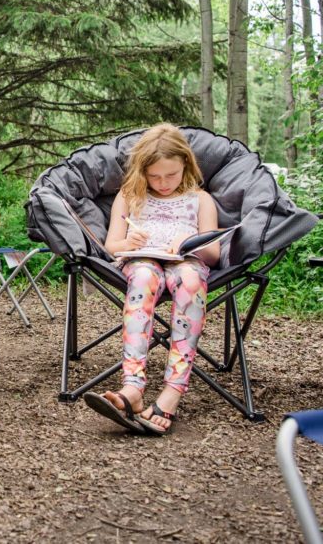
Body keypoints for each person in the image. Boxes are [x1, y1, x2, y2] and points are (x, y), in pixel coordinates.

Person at [83, 123, 220, 435]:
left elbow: (213, 253)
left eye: (170, 175)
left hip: (186, 263)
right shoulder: (130, 197)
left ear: (185, 163)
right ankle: (132, 387)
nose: (163, 183)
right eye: (154, 176)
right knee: (144, 276)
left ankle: (173, 390)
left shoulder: (200, 200)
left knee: (190, 281)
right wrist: (128, 244)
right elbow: (111, 246)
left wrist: (191, 239)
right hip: (142, 262)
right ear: (142, 171)